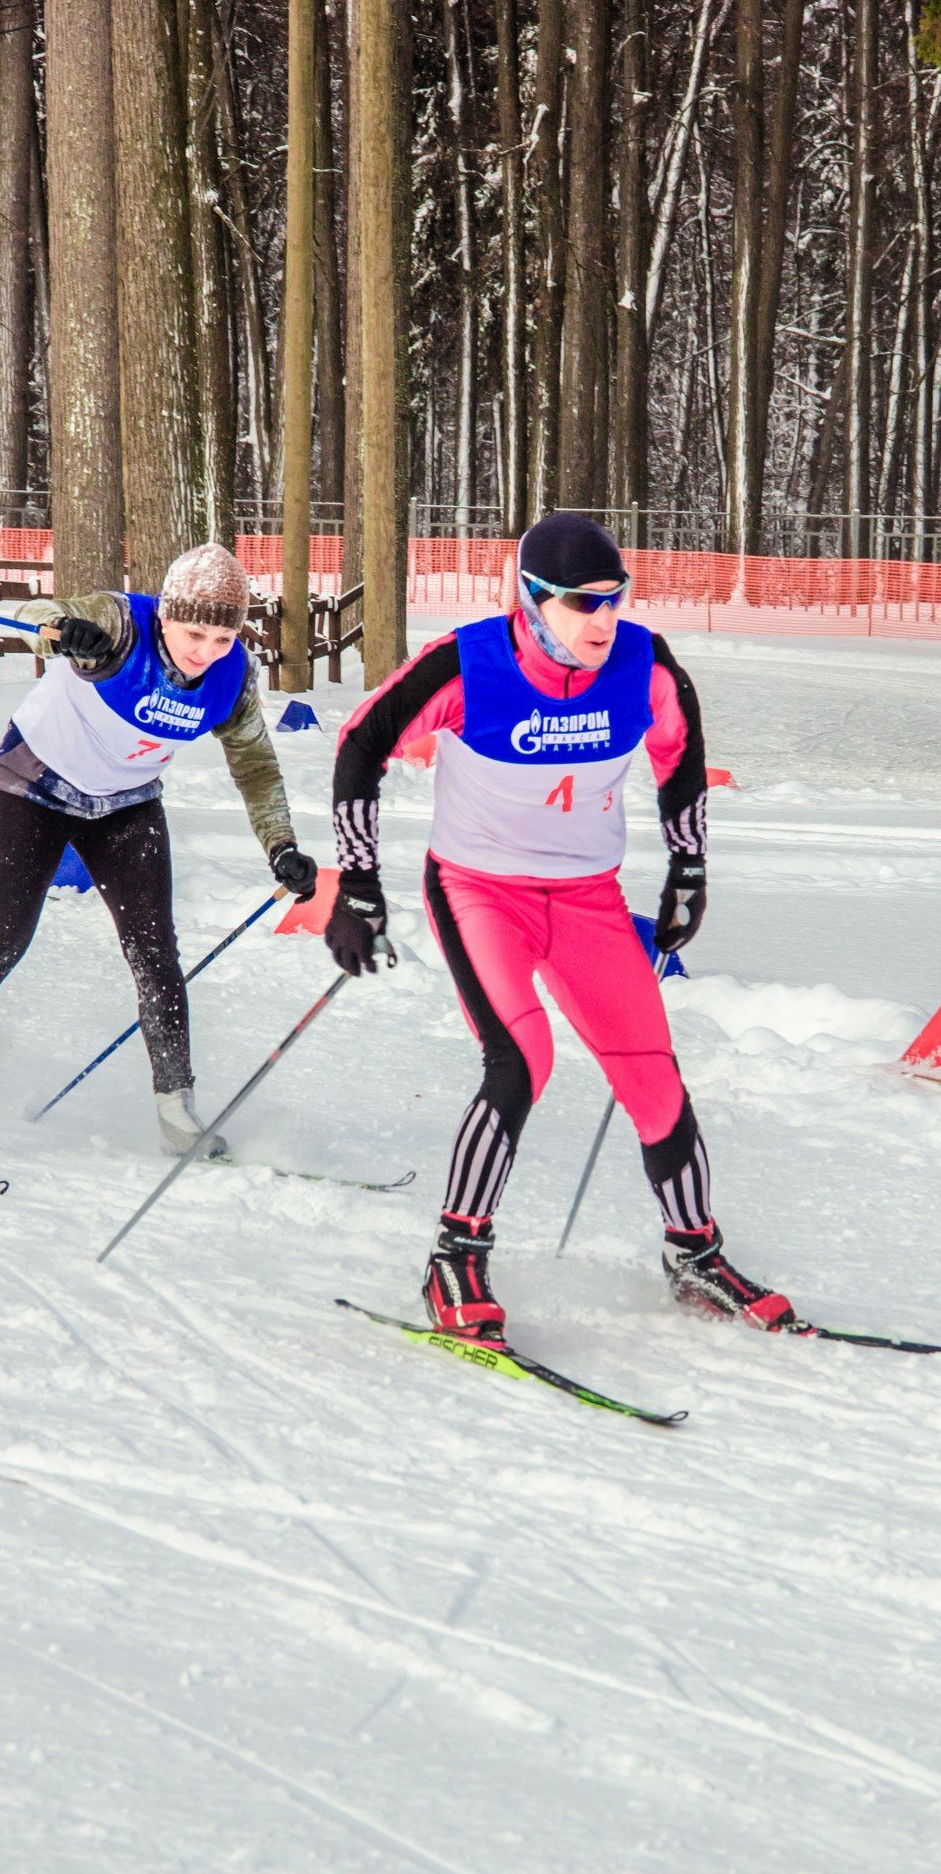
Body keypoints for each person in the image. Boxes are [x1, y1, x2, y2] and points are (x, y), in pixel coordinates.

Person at [325, 509, 793, 1339]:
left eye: (615, 600)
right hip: (480, 893)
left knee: (652, 1075)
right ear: (533, 600)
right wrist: (359, 881)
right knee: (521, 1059)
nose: (604, 620)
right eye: (583, 604)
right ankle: (454, 1258)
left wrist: (689, 868)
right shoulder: (468, 664)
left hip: (587, 899)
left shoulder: (645, 666)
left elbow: (680, 762)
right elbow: (361, 743)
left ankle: (694, 1253)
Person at [0, 544, 319, 1157]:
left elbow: (255, 764)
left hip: (125, 804)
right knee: (0, 940)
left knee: (154, 948)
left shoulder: (233, 676)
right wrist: (65, 631)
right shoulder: (121, 622)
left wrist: (281, 845)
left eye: (223, 637)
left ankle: (178, 1111)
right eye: (195, 632)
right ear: (167, 616)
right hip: (32, 788)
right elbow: (38, 613)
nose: (206, 652)